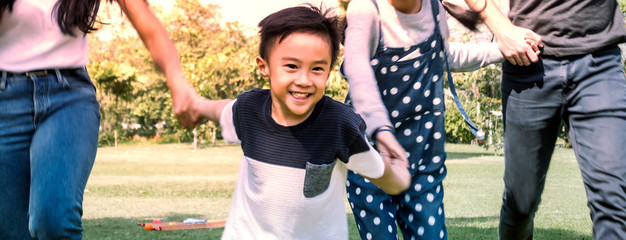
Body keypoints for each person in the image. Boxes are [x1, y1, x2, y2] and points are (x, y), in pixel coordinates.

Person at [194, 5, 411, 239]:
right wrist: (196, 105)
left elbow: (388, 180)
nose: (304, 80)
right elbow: (219, 109)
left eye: (317, 68)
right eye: (292, 66)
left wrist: (401, 172)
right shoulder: (248, 108)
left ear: (328, 73)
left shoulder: (338, 123)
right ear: (264, 67)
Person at [0, 0, 202, 238]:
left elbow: (149, 26)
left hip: (68, 98)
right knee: (10, 231)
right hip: (5, 99)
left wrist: (175, 78)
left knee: (53, 219)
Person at [341, 0, 505, 239]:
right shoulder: (367, 9)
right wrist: (382, 129)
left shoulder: (434, 9)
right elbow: (357, 68)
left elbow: (446, 55)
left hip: (423, 162)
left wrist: (501, 50)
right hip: (371, 164)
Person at [463, 0, 626, 238]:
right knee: (520, 204)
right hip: (528, 58)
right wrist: (500, 26)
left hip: (599, 61)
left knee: (615, 202)